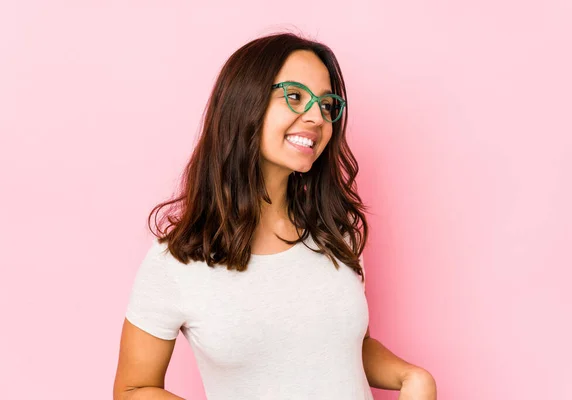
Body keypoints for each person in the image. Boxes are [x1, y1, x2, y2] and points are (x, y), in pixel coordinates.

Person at [113, 32, 437, 400]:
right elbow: (134, 388)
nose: (317, 117)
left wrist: (411, 377)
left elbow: (342, 348)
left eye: (327, 104)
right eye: (295, 96)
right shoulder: (177, 261)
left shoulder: (337, 235)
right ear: (244, 103)